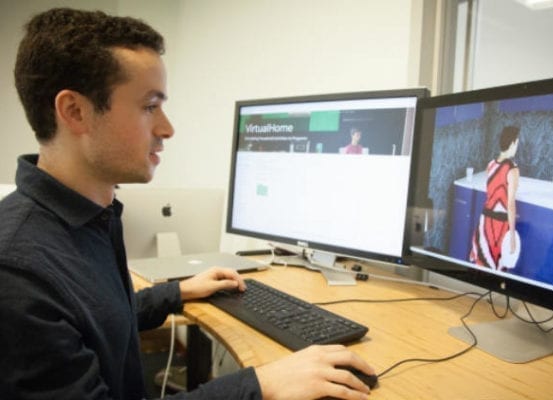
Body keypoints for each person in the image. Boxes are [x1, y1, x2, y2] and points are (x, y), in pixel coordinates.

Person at [0, 8, 374, 400]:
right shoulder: (17, 272)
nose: (167, 128)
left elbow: (98, 316)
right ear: (75, 111)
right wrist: (259, 385)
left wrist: (177, 293)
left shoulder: (87, 219)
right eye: (150, 106)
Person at [469, 126, 520, 270]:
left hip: (484, 222)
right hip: (500, 226)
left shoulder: (490, 165)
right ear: (513, 143)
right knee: (497, 270)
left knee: (482, 264)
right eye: (517, 142)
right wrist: (512, 237)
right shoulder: (513, 169)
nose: (517, 146)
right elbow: (510, 205)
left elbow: (492, 194)